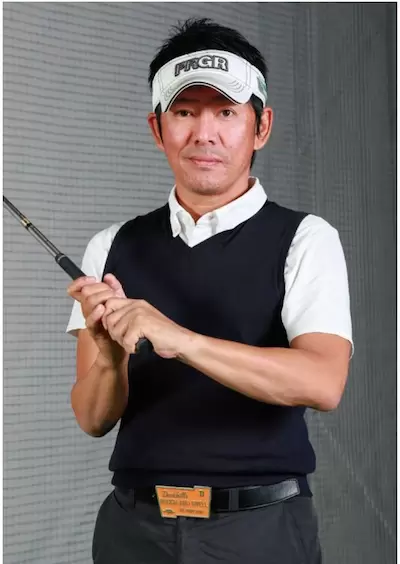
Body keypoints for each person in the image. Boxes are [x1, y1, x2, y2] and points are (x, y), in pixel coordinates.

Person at [66, 18, 353, 564]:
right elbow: (93, 418)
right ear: (157, 129)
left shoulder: (305, 238)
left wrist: (182, 340)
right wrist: (109, 361)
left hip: (260, 531)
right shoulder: (111, 245)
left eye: (226, 112)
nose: (205, 134)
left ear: (261, 126)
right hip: (134, 531)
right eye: (184, 113)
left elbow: (322, 381)